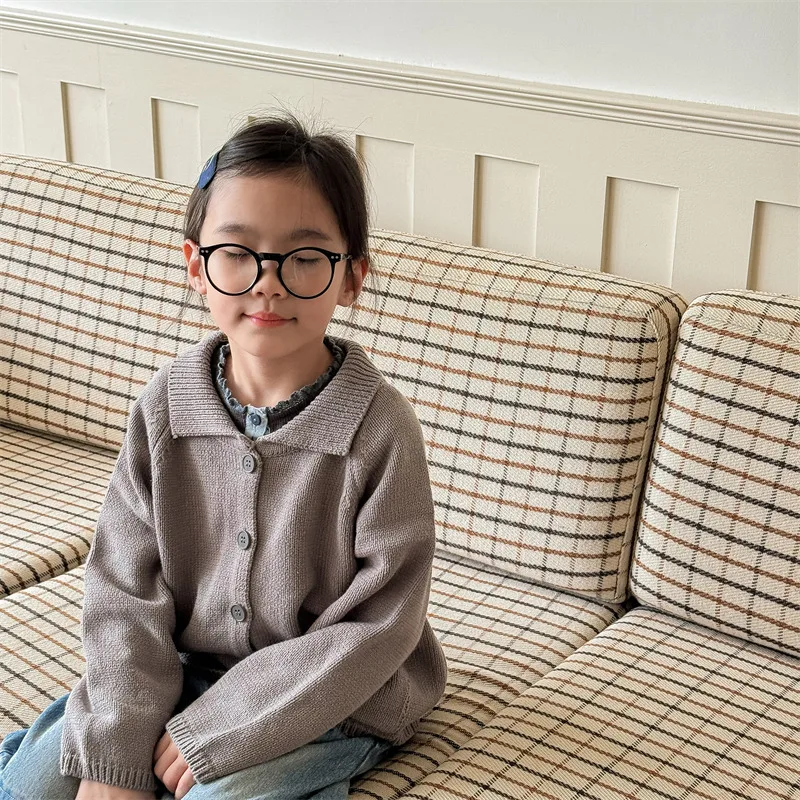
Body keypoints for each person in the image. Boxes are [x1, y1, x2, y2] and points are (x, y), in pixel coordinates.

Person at [0, 111, 448, 800]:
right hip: (180, 671)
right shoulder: (163, 409)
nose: (268, 282)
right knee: (36, 787)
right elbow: (123, 593)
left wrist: (214, 731)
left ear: (352, 277)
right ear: (197, 267)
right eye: (237, 253)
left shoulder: (380, 430)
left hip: (334, 695)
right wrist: (117, 749)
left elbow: (379, 626)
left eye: (305, 258)